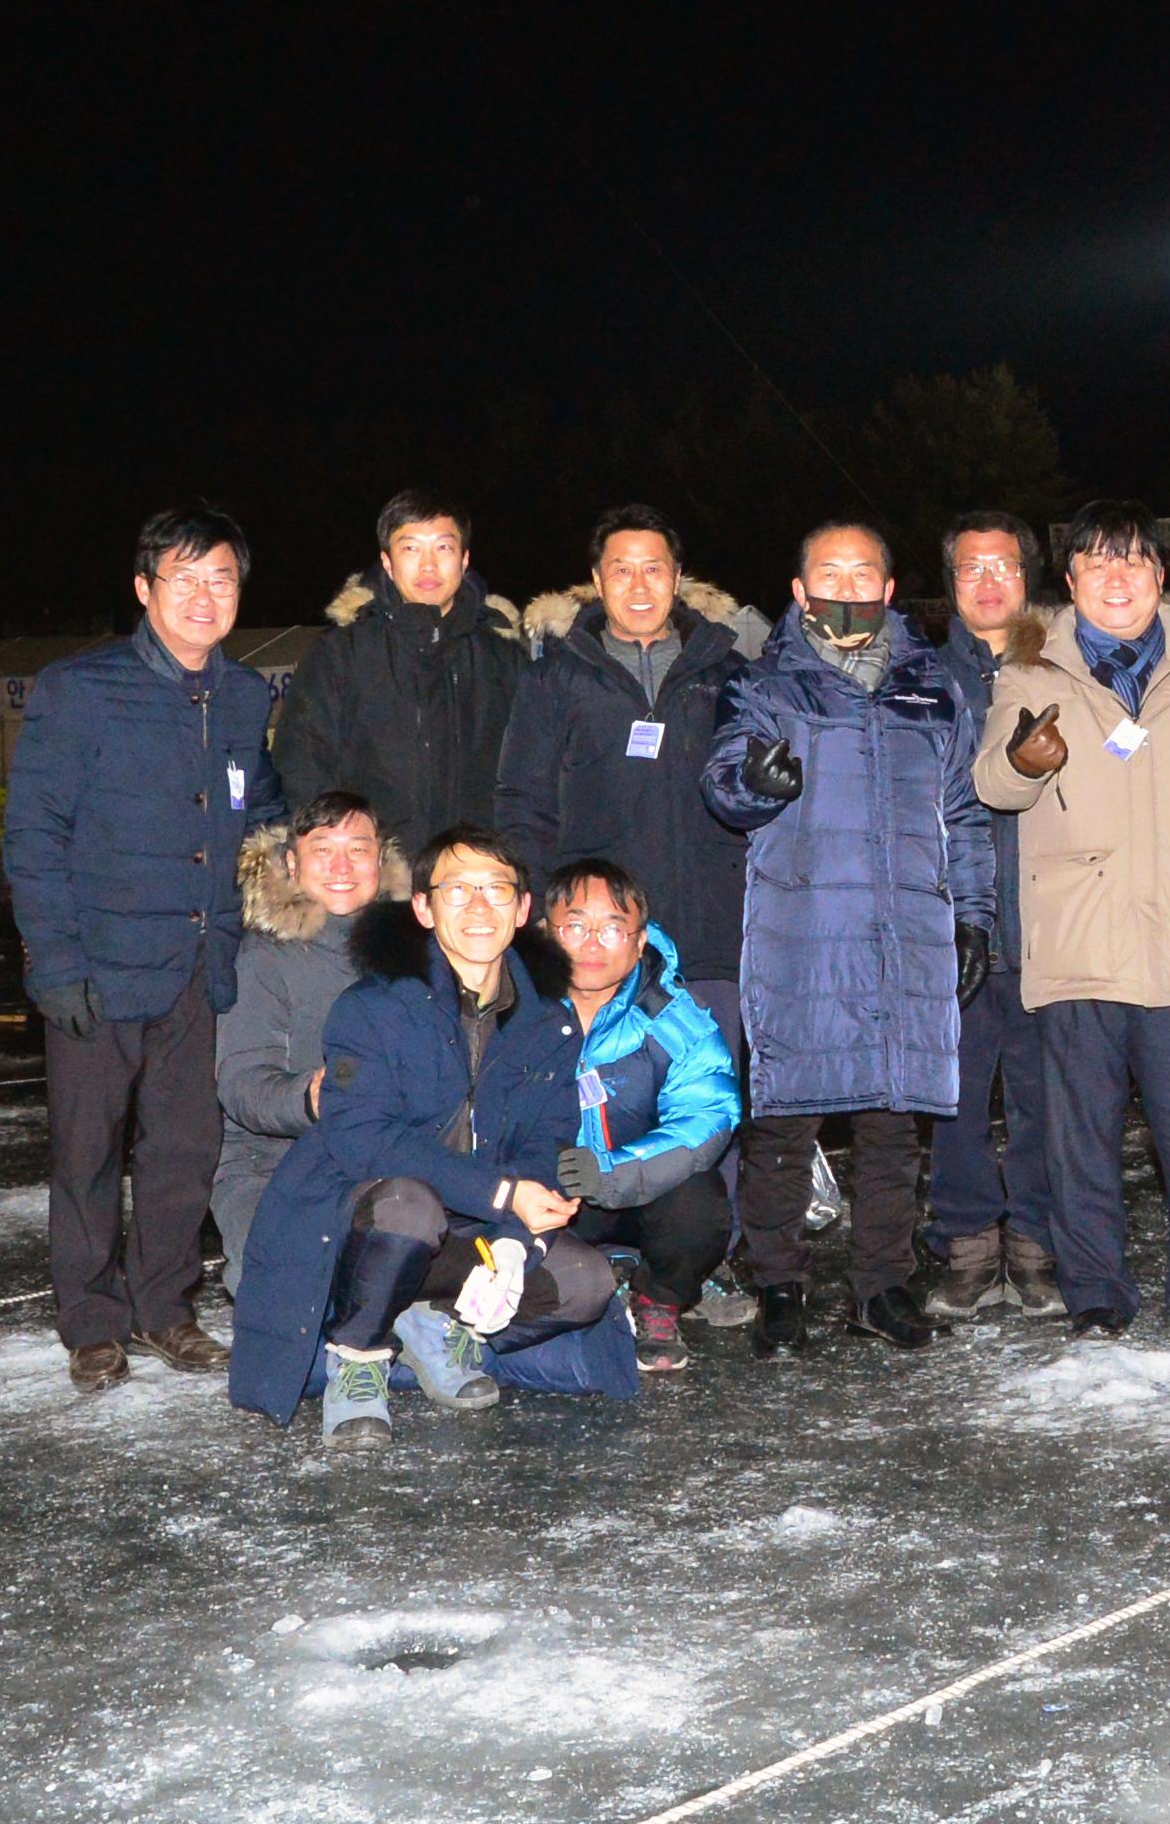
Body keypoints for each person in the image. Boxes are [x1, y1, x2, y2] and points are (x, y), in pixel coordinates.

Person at [226, 827, 641, 1446]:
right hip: (358, 1228)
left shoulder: (548, 1021)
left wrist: (512, 1243)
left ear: (524, 910)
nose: (479, 907)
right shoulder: (372, 1005)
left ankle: (439, 1325)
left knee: (587, 1284)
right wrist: (504, 1194)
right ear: (423, 907)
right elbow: (364, 1139)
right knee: (408, 1203)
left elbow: (549, 1142)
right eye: (458, 890)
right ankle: (359, 1356)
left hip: (465, 1233)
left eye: (497, 890)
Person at [6, 502, 287, 1393]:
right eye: (186, 577)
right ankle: (90, 1319)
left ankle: (166, 1306)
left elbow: (263, 811)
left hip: (202, 973)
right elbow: (34, 833)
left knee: (183, 1150)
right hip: (97, 969)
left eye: (223, 579)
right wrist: (52, 962)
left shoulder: (245, 695)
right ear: (144, 588)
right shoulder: (79, 689)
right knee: (88, 1151)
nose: (206, 596)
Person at [973, 500, 1170, 1344]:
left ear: (1160, 576)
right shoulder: (1030, 671)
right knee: (1080, 1141)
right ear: (1070, 582)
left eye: (1133, 562)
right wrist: (1024, 763)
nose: (1116, 578)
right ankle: (1094, 1291)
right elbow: (993, 782)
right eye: (1097, 564)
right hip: (1081, 937)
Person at [703, 521, 994, 1356]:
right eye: (827, 574)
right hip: (803, 931)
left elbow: (964, 814)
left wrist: (972, 915)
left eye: (862, 574)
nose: (846, 589)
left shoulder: (932, 686)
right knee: (785, 1121)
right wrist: (752, 785)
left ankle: (881, 1284)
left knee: (893, 1121)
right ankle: (780, 1284)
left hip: (903, 929)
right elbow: (723, 781)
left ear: (889, 589)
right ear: (798, 592)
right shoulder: (765, 685)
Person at [497, 504, 767, 1082]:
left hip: (709, 937)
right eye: (622, 571)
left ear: (677, 578)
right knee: (600, 1110)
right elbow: (523, 803)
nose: (639, 586)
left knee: (710, 1115)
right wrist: (542, 915)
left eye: (653, 569)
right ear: (597, 582)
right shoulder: (552, 681)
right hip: (595, 943)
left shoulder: (731, 675)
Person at [922, 511, 1064, 1322]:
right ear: (951, 583)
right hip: (955, 927)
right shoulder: (921, 677)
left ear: (1028, 578)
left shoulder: (1065, 669)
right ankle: (968, 1242)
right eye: (971, 568)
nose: (988, 582)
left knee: (1050, 1099)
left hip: (1050, 925)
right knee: (957, 1097)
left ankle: (1039, 1244)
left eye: (1004, 567)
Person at [540, 857, 744, 1373]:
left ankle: (660, 1294)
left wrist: (608, 1173)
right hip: (542, 1195)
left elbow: (707, 1117)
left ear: (640, 939)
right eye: (576, 926)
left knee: (700, 1203)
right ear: (546, 932)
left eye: (612, 928)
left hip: (641, 1194)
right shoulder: (510, 1007)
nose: (592, 944)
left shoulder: (677, 1017)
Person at [271, 489, 529, 854]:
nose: (428, 565)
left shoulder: (503, 658)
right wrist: (341, 855)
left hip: (472, 878)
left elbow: (530, 776)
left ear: (464, 559)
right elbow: (302, 764)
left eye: (443, 548)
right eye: (410, 548)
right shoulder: (341, 652)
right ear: (387, 562)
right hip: (373, 877)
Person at [213, 790, 400, 1269]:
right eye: (323, 850)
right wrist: (307, 1097)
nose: (342, 866)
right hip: (269, 1163)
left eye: (357, 850)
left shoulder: (413, 955)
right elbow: (240, 1085)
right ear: (293, 864)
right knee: (294, 1271)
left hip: (384, 1159)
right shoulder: (262, 957)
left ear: (380, 860)